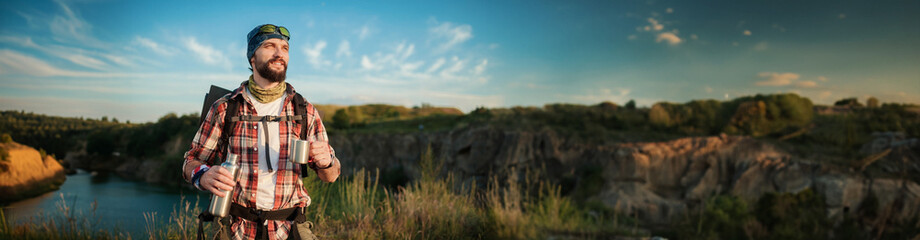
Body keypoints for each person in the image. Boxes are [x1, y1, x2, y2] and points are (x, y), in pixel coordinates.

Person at [182, 24, 341, 240]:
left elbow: (330, 176)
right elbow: (191, 161)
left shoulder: (304, 110)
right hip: (234, 228)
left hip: (290, 228)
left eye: (285, 48)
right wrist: (202, 174)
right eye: (270, 46)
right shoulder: (225, 107)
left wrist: (328, 162)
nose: (279, 53)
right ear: (252, 58)